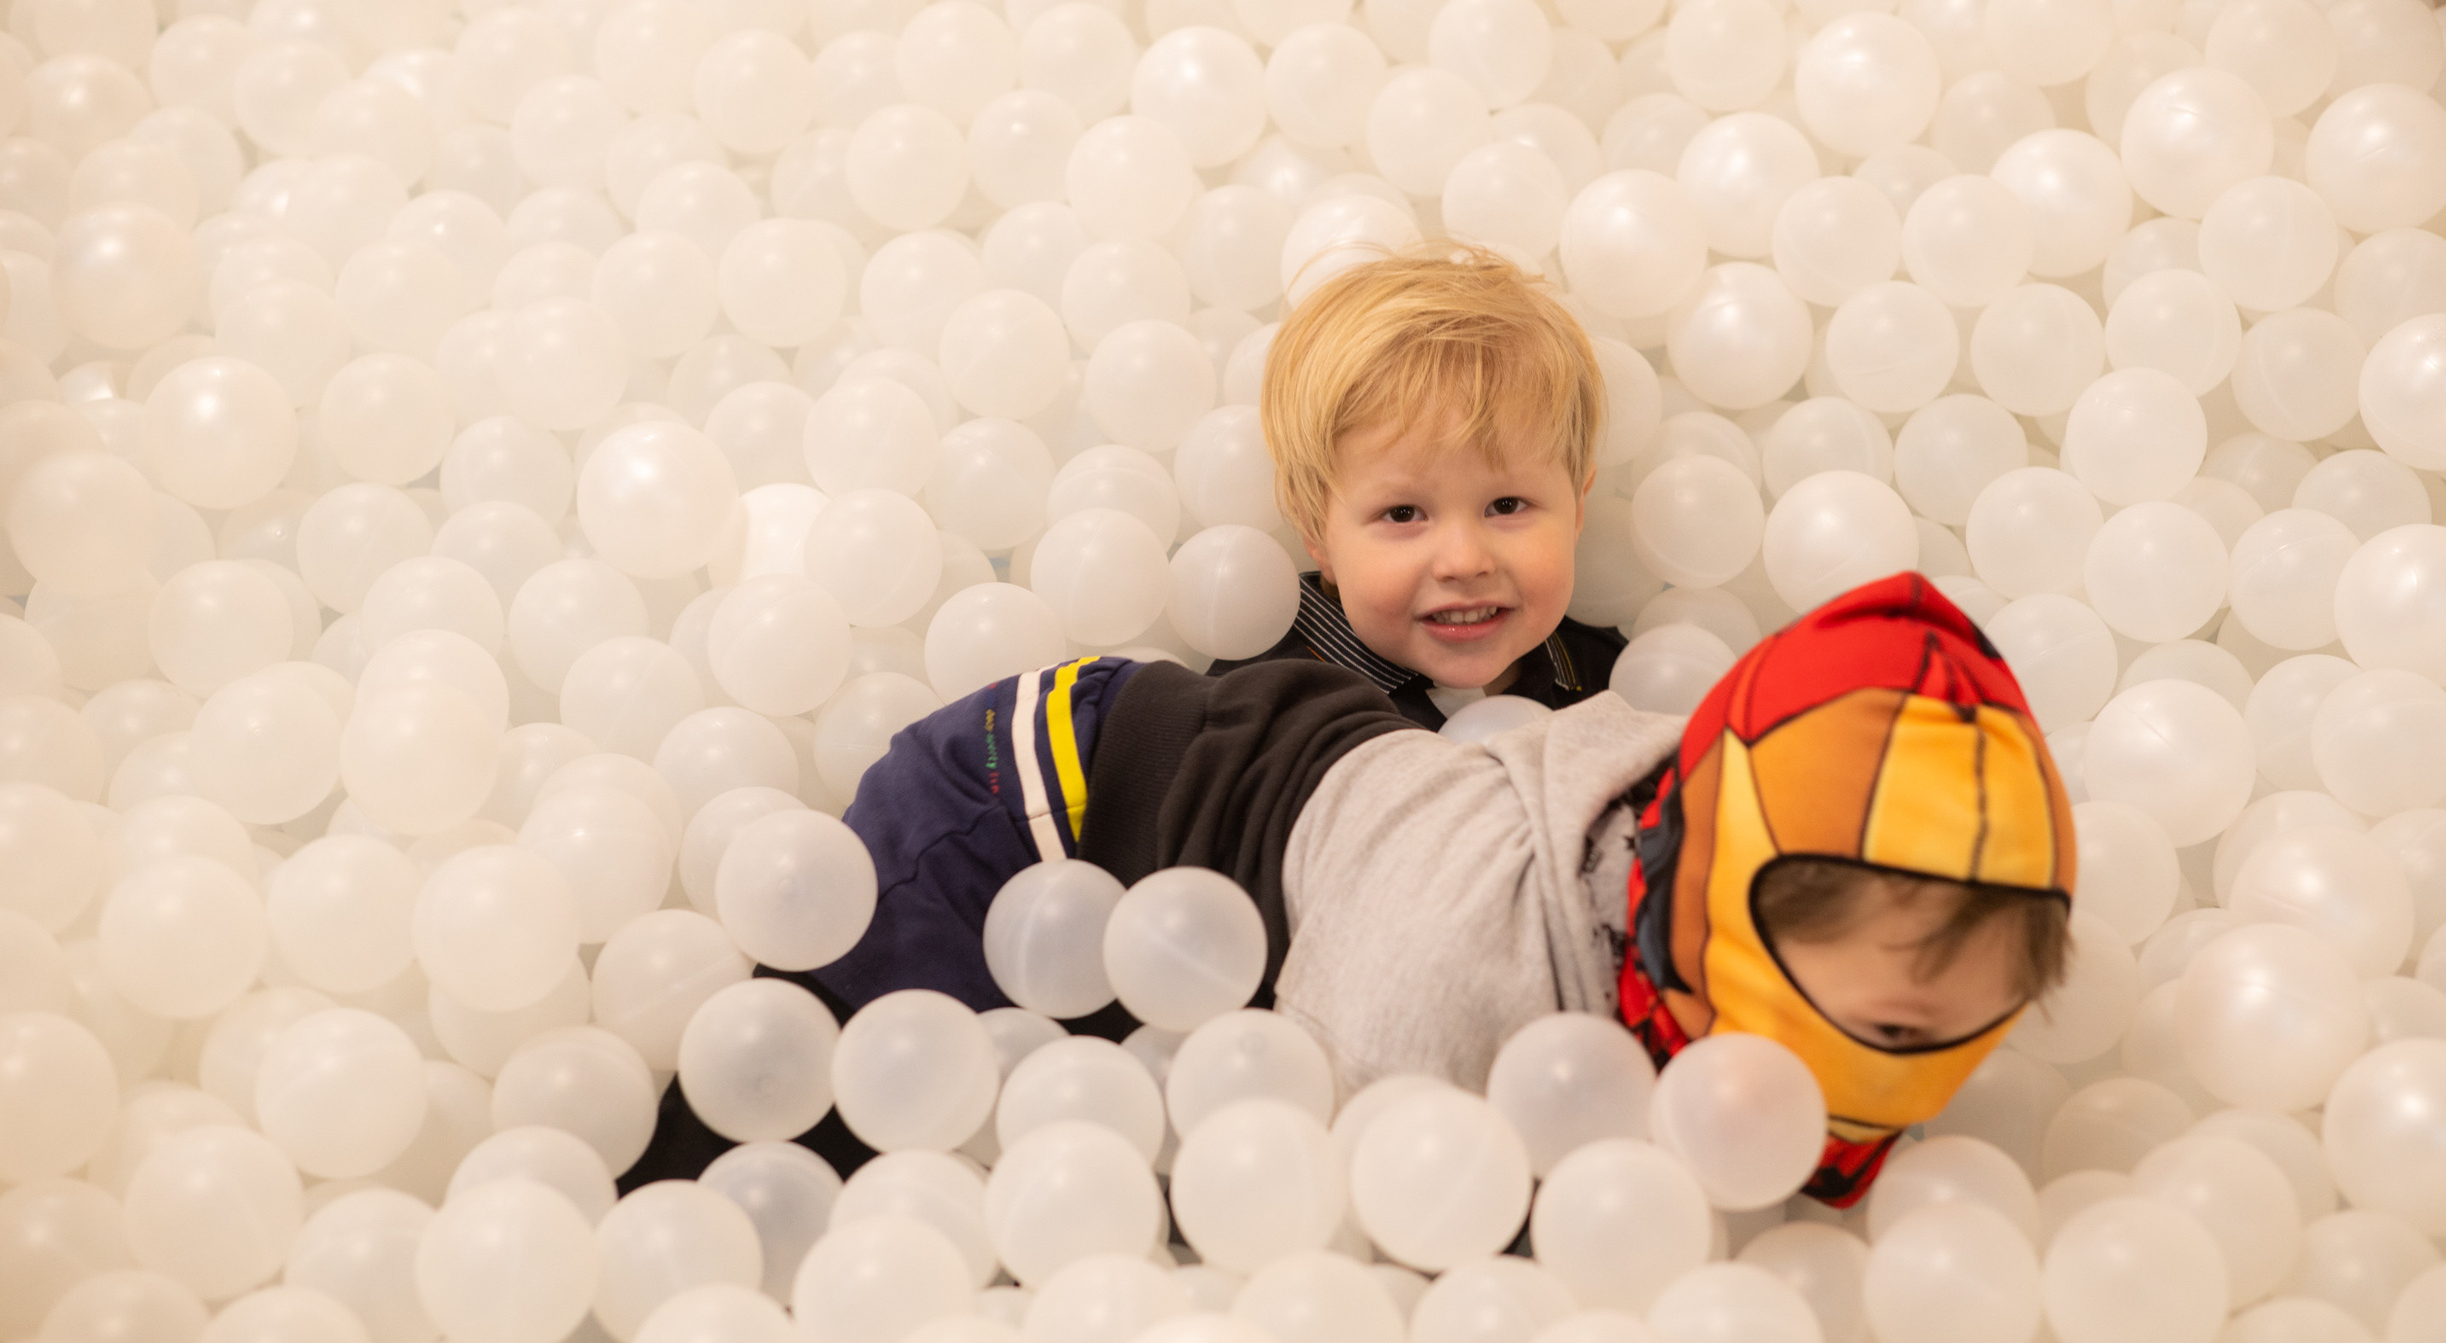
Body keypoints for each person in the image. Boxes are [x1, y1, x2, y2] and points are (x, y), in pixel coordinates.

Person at [626, 573, 2074, 1208]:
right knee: (824, 1091)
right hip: (1026, 804)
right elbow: (1288, 1162)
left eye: (1957, 1040)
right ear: (1708, 928)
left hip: (1290, 780)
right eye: (1883, 1038)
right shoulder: (1444, 976)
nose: (1905, 1096)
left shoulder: (1679, 823)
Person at [1213, 245, 1627, 729]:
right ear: (1316, 530)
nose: (1465, 562)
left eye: (1506, 505)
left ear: (1576, 510)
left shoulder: (1607, 677)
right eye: (1403, 513)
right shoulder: (1262, 709)